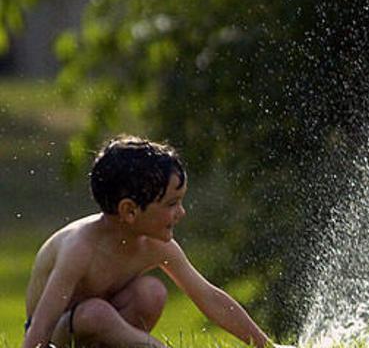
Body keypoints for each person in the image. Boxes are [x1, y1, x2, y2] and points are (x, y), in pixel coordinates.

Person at [22, 135, 276, 348]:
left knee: (151, 293)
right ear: (130, 211)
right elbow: (40, 328)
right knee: (95, 314)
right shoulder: (79, 249)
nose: (182, 213)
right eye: (171, 204)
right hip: (60, 333)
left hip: (105, 326)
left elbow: (209, 297)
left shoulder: (155, 246)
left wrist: (266, 345)